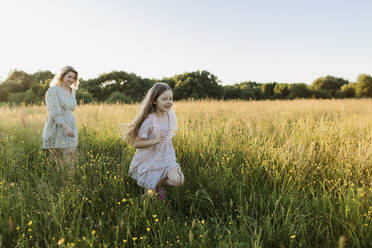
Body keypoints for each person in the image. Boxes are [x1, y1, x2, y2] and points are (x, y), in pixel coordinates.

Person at [124, 82, 184, 199]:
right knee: (149, 199)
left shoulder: (170, 115)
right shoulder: (150, 120)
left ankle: (158, 184)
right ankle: (150, 194)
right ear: (154, 101)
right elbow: (137, 143)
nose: (169, 102)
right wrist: (154, 141)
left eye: (171, 99)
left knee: (179, 180)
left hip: (167, 157)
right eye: (164, 99)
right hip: (151, 160)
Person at [42, 66, 79, 167]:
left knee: (71, 155)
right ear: (62, 76)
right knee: (56, 159)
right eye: (69, 76)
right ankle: (56, 180)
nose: (71, 80)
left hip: (71, 125)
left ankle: (69, 181)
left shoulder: (72, 91)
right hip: (58, 126)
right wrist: (66, 127)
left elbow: (70, 109)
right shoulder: (53, 90)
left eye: (74, 78)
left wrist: (70, 127)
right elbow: (54, 112)